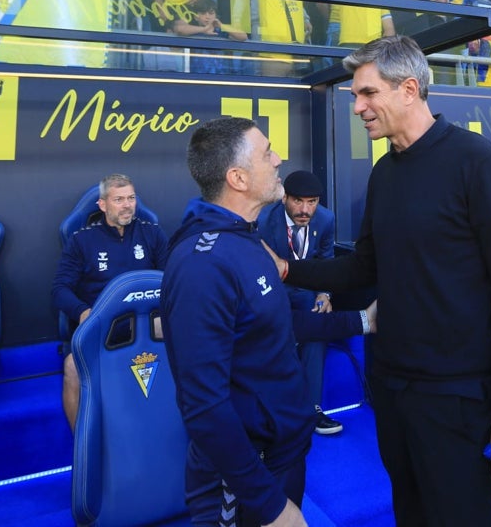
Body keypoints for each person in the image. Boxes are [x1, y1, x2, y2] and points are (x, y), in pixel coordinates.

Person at [263, 36, 491, 527]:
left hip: (455, 398)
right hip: (390, 389)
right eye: (354, 96)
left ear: (409, 89)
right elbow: (365, 266)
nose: (357, 107)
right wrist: (288, 269)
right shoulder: (384, 172)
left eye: (367, 93)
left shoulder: (475, 162)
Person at [162, 118, 375, 527]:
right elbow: (204, 406)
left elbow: (278, 326)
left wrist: (363, 321)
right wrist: (270, 506)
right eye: (267, 153)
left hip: (284, 453)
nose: (279, 160)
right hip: (246, 478)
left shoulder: (247, 239)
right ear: (238, 178)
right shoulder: (200, 265)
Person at [52, 174, 168, 431]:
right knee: (72, 368)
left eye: (131, 198)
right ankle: (82, 444)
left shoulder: (152, 234)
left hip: (147, 322)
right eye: (119, 199)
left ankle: (173, 429)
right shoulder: (81, 240)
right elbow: (60, 290)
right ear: (103, 204)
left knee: (185, 339)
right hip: (103, 324)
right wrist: (83, 312)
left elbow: (170, 281)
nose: (127, 205)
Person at [257, 170, 341, 435]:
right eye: (298, 201)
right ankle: (271, 411)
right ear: (284, 198)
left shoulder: (326, 219)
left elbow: (326, 262)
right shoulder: (263, 220)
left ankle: (312, 408)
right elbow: (256, 267)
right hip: (270, 290)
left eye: (312, 202)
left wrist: (325, 294)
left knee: (317, 323)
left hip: (305, 290)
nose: (306, 210)